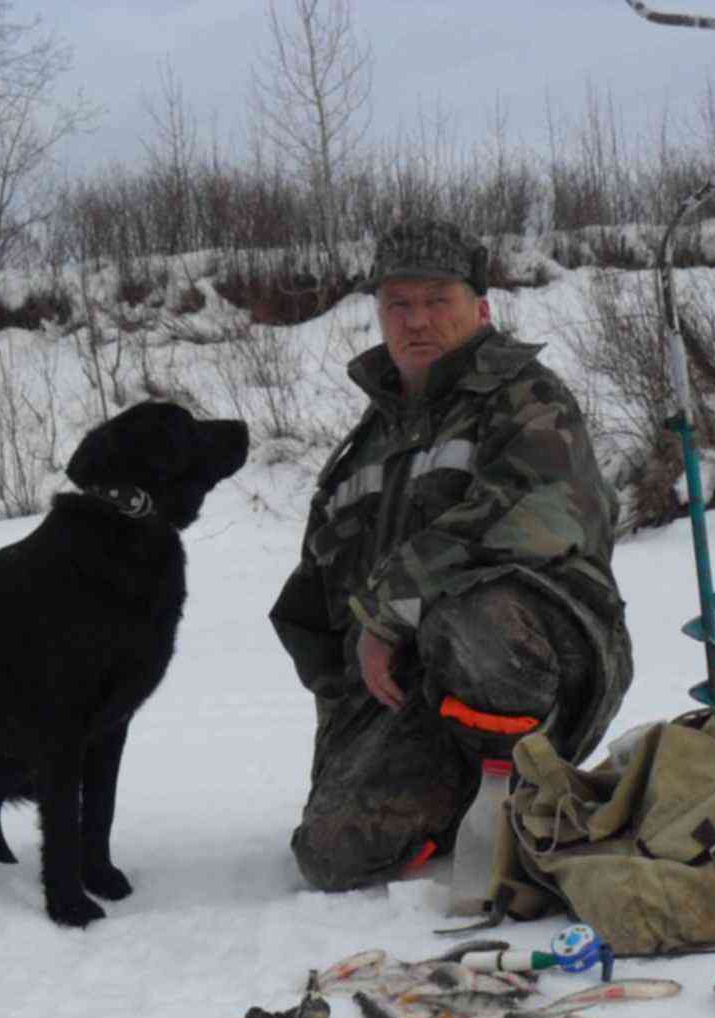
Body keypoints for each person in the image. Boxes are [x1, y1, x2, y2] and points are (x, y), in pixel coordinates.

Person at [269, 217, 634, 892]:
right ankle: (457, 803)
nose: (417, 320)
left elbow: (537, 516)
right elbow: (313, 608)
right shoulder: (366, 446)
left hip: (543, 653)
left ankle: (525, 794)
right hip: (415, 685)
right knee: (332, 855)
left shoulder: (526, 396)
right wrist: (347, 729)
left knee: (466, 610)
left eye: (439, 301)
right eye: (399, 304)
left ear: (480, 306)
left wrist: (386, 613)